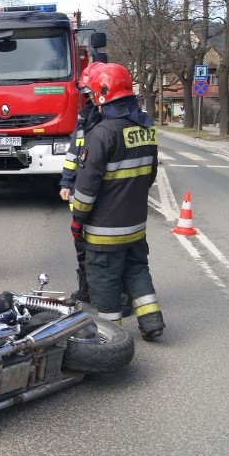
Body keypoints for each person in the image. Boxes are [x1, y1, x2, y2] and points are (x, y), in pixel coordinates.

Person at [71, 63, 165, 341]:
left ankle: (111, 337)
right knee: (136, 270)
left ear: (102, 94)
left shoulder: (102, 133)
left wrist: (78, 220)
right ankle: (152, 321)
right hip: (136, 224)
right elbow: (150, 175)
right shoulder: (146, 128)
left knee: (104, 279)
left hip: (105, 229)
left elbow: (87, 188)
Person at [59, 62, 103, 303]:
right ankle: (86, 289)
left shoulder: (107, 123)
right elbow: (73, 154)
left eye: (89, 92)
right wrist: (66, 182)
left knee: (101, 249)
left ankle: (104, 292)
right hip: (78, 193)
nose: (86, 97)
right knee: (82, 246)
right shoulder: (85, 118)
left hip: (97, 196)